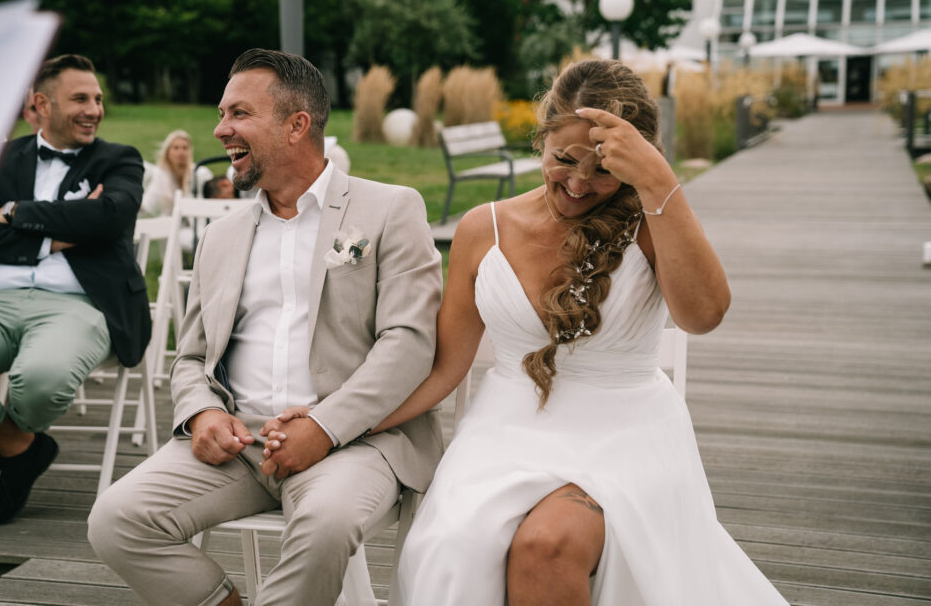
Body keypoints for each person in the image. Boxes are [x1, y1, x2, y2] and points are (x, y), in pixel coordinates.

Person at [282, 59, 787, 605]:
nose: (578, 183)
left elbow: (704, 315)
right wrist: (333, 426)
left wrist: (659, 182)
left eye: (602, 169)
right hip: (505, 433)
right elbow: (443, 369)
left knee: (546, 546)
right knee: (454, 545)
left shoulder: (651, 223)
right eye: (563, 159)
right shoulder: (484, 229)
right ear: (541, 139)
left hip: (626, 437)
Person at [87, 49, 443, 606]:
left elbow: (409, 345)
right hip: (240, 442)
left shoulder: (390, 209)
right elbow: (191, 357)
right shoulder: (221, 236)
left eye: (239, 114)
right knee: (116, 520)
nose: (220, 129)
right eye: (222, 114)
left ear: (296, 125)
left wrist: (323, 427)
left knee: (325, 527)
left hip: (357, 441)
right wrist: (202, 413)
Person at [0, 54, 151, 526]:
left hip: (79, 303)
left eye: (98, 99)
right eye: (80, 99)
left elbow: (108, 217)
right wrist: (59, 234)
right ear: (42, 104)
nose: (94, 110)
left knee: (40, 382)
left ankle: (7, 445)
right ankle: (20, 447)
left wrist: (16, 212)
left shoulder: (119, 159)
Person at [140, 129, 212, 216]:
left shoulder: (200, 173)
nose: (181, 152)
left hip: (197, 219)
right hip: (168, 221)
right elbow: (149, 202)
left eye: (185, 148)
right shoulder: (161, 175)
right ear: (167, 152)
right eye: (176, 148)